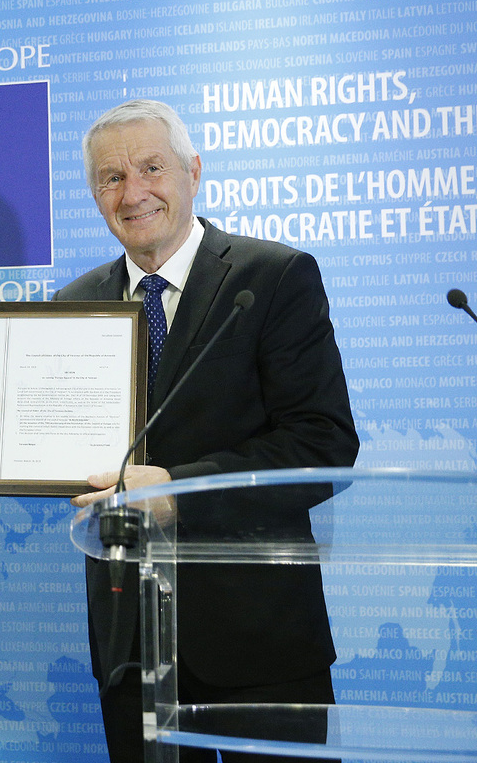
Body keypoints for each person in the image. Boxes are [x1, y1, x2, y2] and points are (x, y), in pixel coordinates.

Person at [55, 100, 359, 762]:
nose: (133, 192)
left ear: (193, 171)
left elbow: (323, 444)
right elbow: (33, 436)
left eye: (151, 168)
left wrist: (176, 491)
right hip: (131, 642)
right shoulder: (72, 305)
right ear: (95, 195)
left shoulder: (273, 277)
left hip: (262, 641)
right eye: (111, 178)